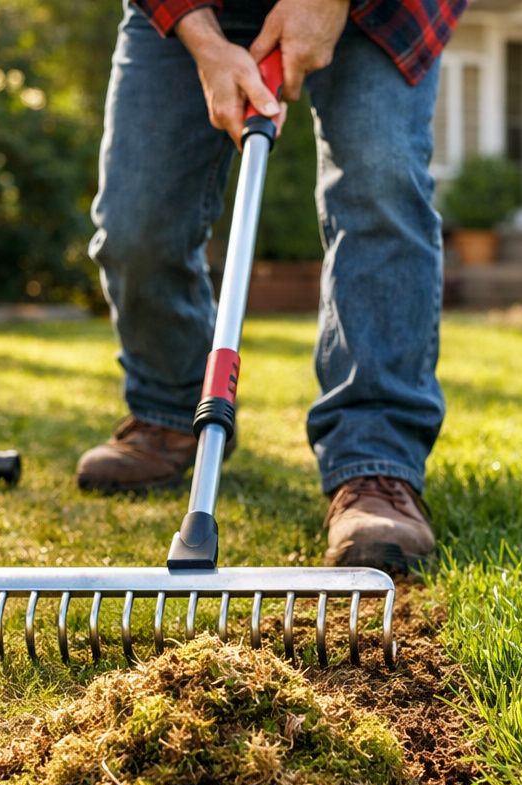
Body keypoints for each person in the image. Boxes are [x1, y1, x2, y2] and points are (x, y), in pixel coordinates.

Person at [77, 0, 464, 572]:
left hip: (377, 10)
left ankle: (376, 464)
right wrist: (205, 43)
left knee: (379, 190)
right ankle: (170, 410)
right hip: (195, 9)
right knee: (137, 225)